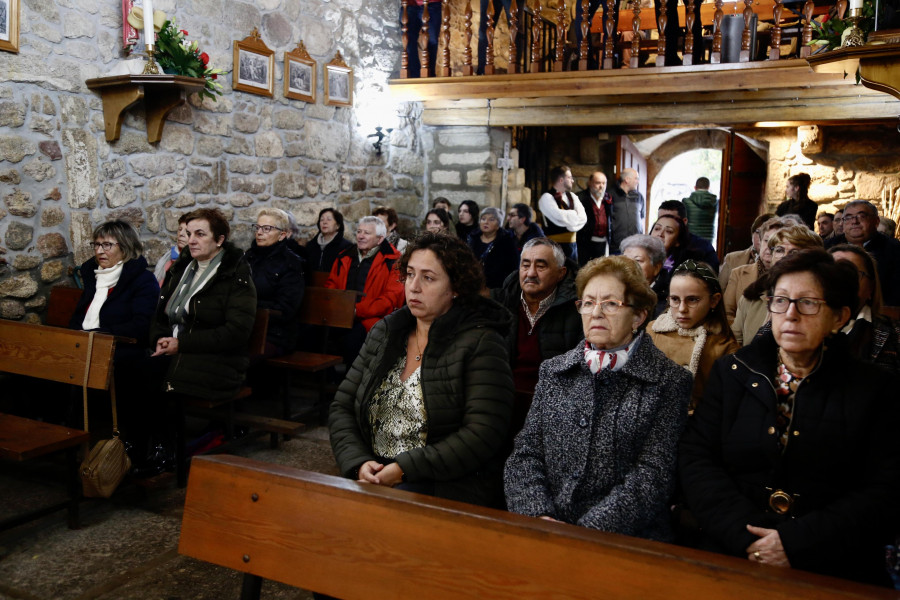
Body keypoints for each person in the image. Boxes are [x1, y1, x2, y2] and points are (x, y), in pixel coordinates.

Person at [679, 250, 900, 586]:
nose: (791, 314)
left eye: (808, 303)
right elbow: (697, 457)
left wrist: (795, 543)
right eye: (780, 301)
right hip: (734, 545)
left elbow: (884, 489)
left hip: (831, 558)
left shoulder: (873, 389)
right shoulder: (735, 372)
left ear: (839, 317)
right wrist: (747, 535)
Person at [504, 256, 692, 540]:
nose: (596, 313)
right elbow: (525, 454)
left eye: (611, 303)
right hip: (545, 531)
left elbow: (654, 475)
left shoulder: (669, 381)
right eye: (588, 303)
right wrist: (539, 516)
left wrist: (586, 533)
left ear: (639, 316)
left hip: (625, 539)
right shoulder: (554, 371)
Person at [329, 232, 514, 507]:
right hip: (375, 474)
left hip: (444, 485)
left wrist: (404, 469)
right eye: (410, 274)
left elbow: (482, 432)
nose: (413, 287)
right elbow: (342, 406)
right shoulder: (387, 332)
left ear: (456, 287)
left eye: (428, 278)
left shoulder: (481, 343)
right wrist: (358, 462)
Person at [491, 238, 581, 431]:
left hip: (552, 412)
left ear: (560, 273)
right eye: (525, 265)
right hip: (500, 405)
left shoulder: (576, 310)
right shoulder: (503, 302)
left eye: (541, 266)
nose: (530, 273)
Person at [647, 260, 739, 411]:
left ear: (714, 300)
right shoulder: (651, 333)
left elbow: (728, 401)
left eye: (692, 300)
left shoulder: (724, 345)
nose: (682, 309)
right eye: (675, 299)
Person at [70, 220, 160, 359]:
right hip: (83, 345)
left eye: (107, 245)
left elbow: (141, 326)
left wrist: (98, 334)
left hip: (121, 351)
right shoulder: (93, 275)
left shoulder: (143, 280)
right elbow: (78, 316)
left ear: (125, 247)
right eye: (97, 245)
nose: (99, 251)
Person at [325, 216, 406, 362]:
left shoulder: (393, 261)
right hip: (341, 315)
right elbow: (331, 287)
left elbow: (390, 299)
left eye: (367, 233)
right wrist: (337, 310)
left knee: (353, 340)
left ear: (380, 239)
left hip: (373, 318)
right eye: (359, 231)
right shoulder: (345, 256)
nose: (361, 236)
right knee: (314, 334)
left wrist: (356, 310)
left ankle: (348, 382)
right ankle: (326, 379)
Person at [732, 225, 823, 345]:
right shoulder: (751, 298)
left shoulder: (820, 299)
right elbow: (734, 344)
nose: (785, 256)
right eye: (779, 250)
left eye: (794, 252)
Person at [243, 208, 306, 357]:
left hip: (274, 334)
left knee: (237, 358)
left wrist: (248, 308)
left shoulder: (292, 264)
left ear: (282, 235)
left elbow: (286, 309)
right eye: (257, 227)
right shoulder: (248, 258)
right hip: (243, 326)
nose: (259, 232)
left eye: (267, 229)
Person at [829, 243, 900, 374]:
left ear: (871, 288)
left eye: (852, 274)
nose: (842, 280)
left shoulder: (895, 334)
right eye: (832, 272)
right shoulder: (801, 328)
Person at [827, 200, 900, 305]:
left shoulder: (894, 249)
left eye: (862, 216)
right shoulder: (827, 247)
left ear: (876, 221)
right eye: (848, 217)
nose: (854, 221)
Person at [724, 217, 786, 323]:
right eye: (767, 241)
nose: (770, 247)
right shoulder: (738, 274)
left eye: (775, 242)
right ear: (760, 242)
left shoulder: (788, 278)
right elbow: (727, 313)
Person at [538, 165, 587, 262]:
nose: (572, 180)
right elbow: (559, 218)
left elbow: (583, 218)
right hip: (555, 247)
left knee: (572, 273)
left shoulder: (572, 196)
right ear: (561, 180)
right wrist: (574, 215)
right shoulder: (546, 197)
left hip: (573, 246)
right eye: (569, 177)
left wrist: (570, 223)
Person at [658, 200, 719, 271]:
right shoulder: (650, 245)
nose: (664, 225)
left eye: (670, 220)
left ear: (684, 222)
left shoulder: (702, 248)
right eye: (660, 220)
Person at [468, 206, 519, 289]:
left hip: (496, 288)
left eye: (491, 219)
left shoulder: (506, 242)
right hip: (473, 285)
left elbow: (512, 268)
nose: (486, 222)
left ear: (498, 225)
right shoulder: (472, 240)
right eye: (483, 219)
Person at [719, 213, 773, 291]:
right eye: (758, 232)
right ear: (752, 234)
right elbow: (720, 291)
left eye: (770, 235)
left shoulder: (781, 261)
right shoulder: (732, 259)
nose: (762, 237)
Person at [621, 233, 668, 317]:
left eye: (638, 261)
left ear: (657, 267)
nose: (628, 266)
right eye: (625, 260)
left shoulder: (666, 300)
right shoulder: (617, 286)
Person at [576, 170, 613, 264]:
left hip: (603, 243)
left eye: (604, 183)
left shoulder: (608, 199)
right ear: (590, 183)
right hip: (585, 243)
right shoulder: (580, 198)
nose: (601, 186)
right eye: (598, 183)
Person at [306, 208, 352, 280]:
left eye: (329, 219)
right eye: (322, 220)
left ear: (338, 226)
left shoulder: (346, 247)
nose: (324, 222)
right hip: (311, 287)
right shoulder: (310, 246)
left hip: (334, 289)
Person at [609, 167, 645, 254]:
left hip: (635, 246)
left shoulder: (639, 197)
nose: (638, 181)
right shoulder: (610, 195)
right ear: (627, 179)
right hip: (616, 247)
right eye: (636, 178)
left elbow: (641, 217)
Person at [403, 0, 442, 78]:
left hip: (432, 3)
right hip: (409, 5)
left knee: (432, 40)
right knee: (408, 42)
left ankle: (429, 74)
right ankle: (414, 76)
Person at [153, 214, 189, 284]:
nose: (181, 233)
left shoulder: (196, 262)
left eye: (187, 231)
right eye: (180, 229)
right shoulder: (167, 259)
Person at [681, 177, 718, 243]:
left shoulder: (686, 202)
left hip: (691, 240)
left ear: (695, 187)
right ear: (708, 187)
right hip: (708, 241)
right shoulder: (715, 203)